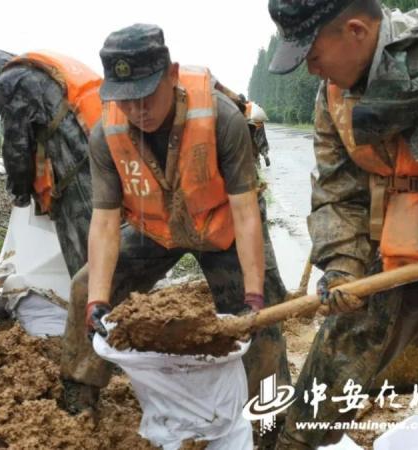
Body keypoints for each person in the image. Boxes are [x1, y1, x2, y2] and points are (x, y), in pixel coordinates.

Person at [60, 23, 291, 426]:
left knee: (263, 319)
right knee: (84, 286)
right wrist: (99, 298)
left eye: (146, 97)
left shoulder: (220, 118)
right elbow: (104, 222)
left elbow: (246, 212)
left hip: (221, 230)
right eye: (126, 101)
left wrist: (253, 295)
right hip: (155, 230)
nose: (137, 111)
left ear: (171, 74)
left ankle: (271, 419)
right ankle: (79, 398)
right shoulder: (106, 134)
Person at [268, 0, 418, 447]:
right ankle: (295, 441)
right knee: (339, 353)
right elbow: (338, 191)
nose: (312, 72)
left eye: (313, 56)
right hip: (404, 240)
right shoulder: (333, 97)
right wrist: (342, 269)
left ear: (355, 30)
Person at [0, 50, 100, 277]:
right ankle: (128, 299)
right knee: (111, 232)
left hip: (78, 168)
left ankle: (99, 304)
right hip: (102, 154)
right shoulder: (37, 73)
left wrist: (19, 193)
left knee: (86, 249)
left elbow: (16, 147)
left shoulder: (9, 82)